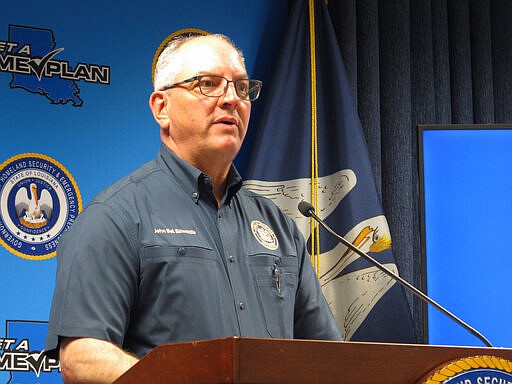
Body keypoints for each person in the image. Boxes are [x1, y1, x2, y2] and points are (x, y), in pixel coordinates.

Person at [45, 32, 341, 383]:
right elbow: (82, 358)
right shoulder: (115, 217)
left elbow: (328, 358)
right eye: (208, 84)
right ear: (161, 108)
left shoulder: (278, 225)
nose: (231, 99)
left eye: (242, 88)